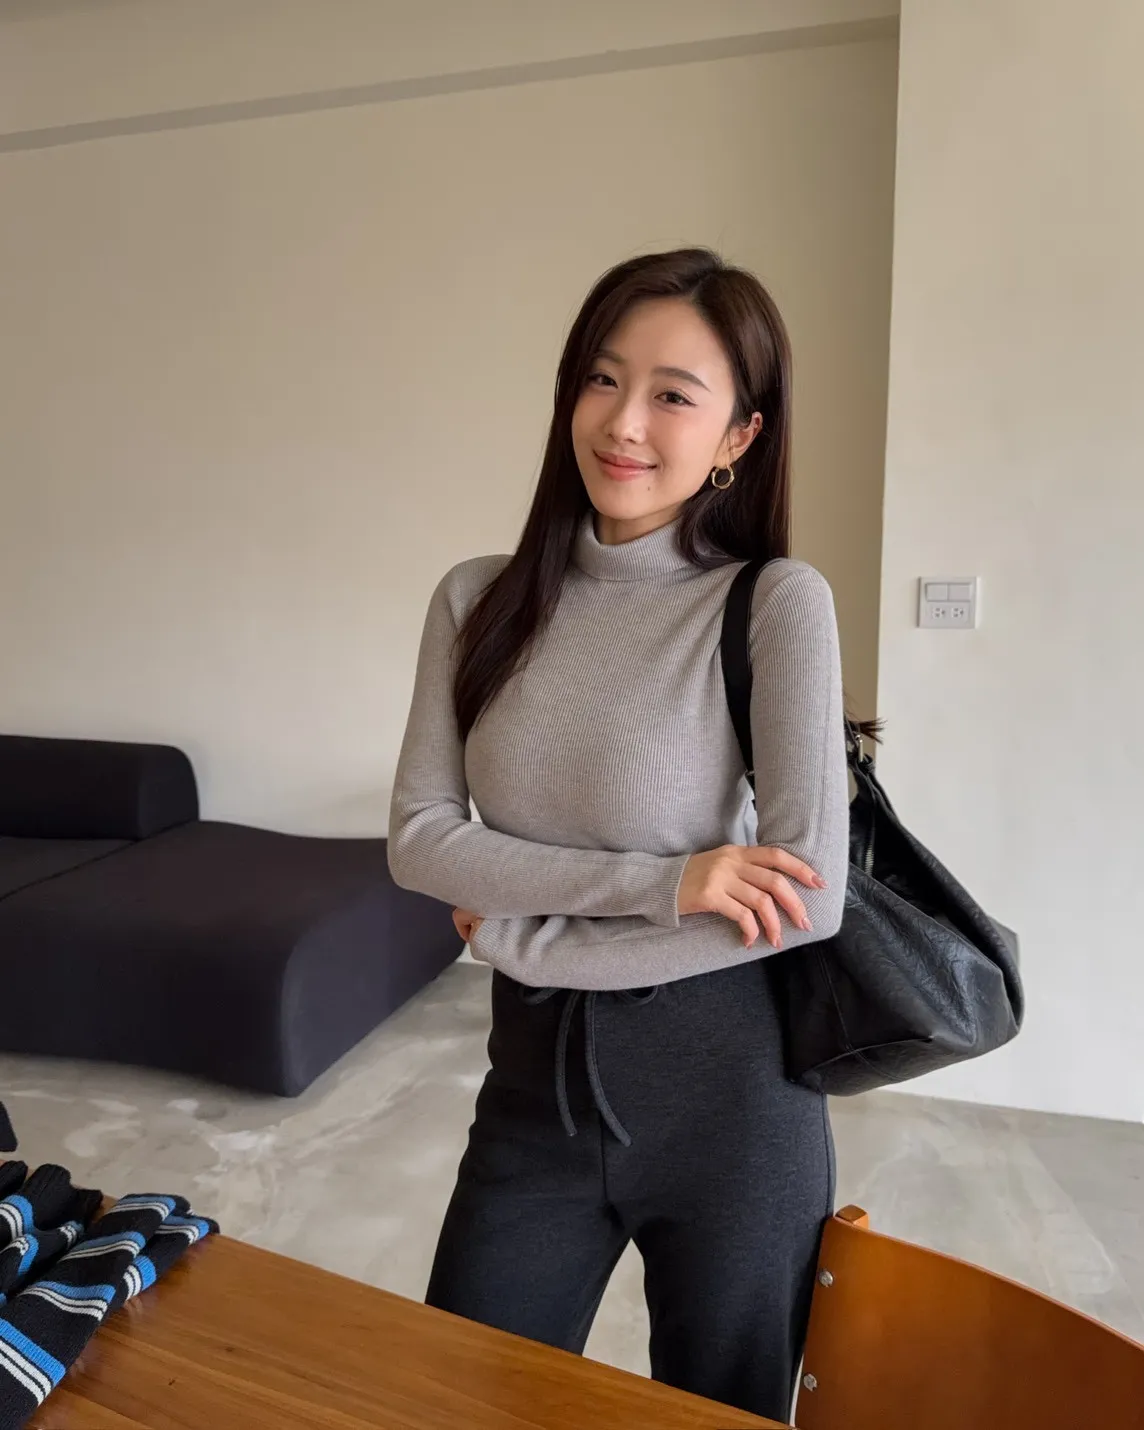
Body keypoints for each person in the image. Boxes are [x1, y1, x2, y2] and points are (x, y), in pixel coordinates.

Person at [387, 247, 853, 1422]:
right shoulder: (475, 599)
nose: (624, 421)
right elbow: (419, 839)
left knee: (725, 1412)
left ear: (738, 434)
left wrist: (523, 930)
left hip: (733, 1106)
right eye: (602, 378)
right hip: (531, 1090)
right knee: (460, 1393)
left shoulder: (773, 602)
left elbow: (808, 898)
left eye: (672, 394)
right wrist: (672, 882)